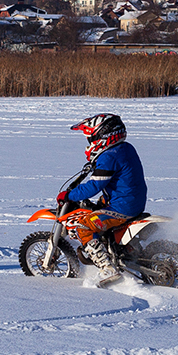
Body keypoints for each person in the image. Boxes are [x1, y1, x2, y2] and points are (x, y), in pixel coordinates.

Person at [58, 113, 147, 286]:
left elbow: (94, 186)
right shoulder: (125, 148)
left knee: (84, 226)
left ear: (102, 135)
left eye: (91, 137)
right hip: (132, 201)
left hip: (121, 207)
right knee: (96, 209)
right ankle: (118, 250)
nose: (89, 142)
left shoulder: (109, 157)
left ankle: (108, 269)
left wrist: (69, 195)